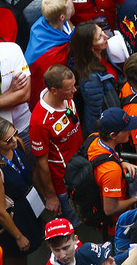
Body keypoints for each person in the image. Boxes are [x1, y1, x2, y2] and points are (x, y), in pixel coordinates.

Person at [0, 117, 43, 265]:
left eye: (14, 133)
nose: (14, 140)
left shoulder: (18, 144)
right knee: (17, 257)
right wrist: (18, 236)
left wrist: (45, 196)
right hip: (13, 217)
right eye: (8, 140)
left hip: (30, 205)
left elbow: (31, 170)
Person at [29, 65, 83, 222]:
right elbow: (41, 163)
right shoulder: (39, 121)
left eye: (74, 84)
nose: (74, 90)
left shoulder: (68, 98)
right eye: (69, 88)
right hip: (64, 182)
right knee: (75, 222)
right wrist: (51, 196)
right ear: (54, 90)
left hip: (82, 167)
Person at [86, 108, 137, 229]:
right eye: (126, 129)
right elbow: (110, 209)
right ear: (113, 135)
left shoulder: (94, 138)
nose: (130, 130)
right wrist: (135, 198)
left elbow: (105, 155)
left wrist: (121, 162)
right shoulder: (111, 171)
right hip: (117, 225)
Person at [70, 21, 123, 136]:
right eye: (99, 37)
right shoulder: (92, 79)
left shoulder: (104, 52)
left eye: (102, 31)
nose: (106, 36)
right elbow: (97, 113)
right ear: (90, 48)